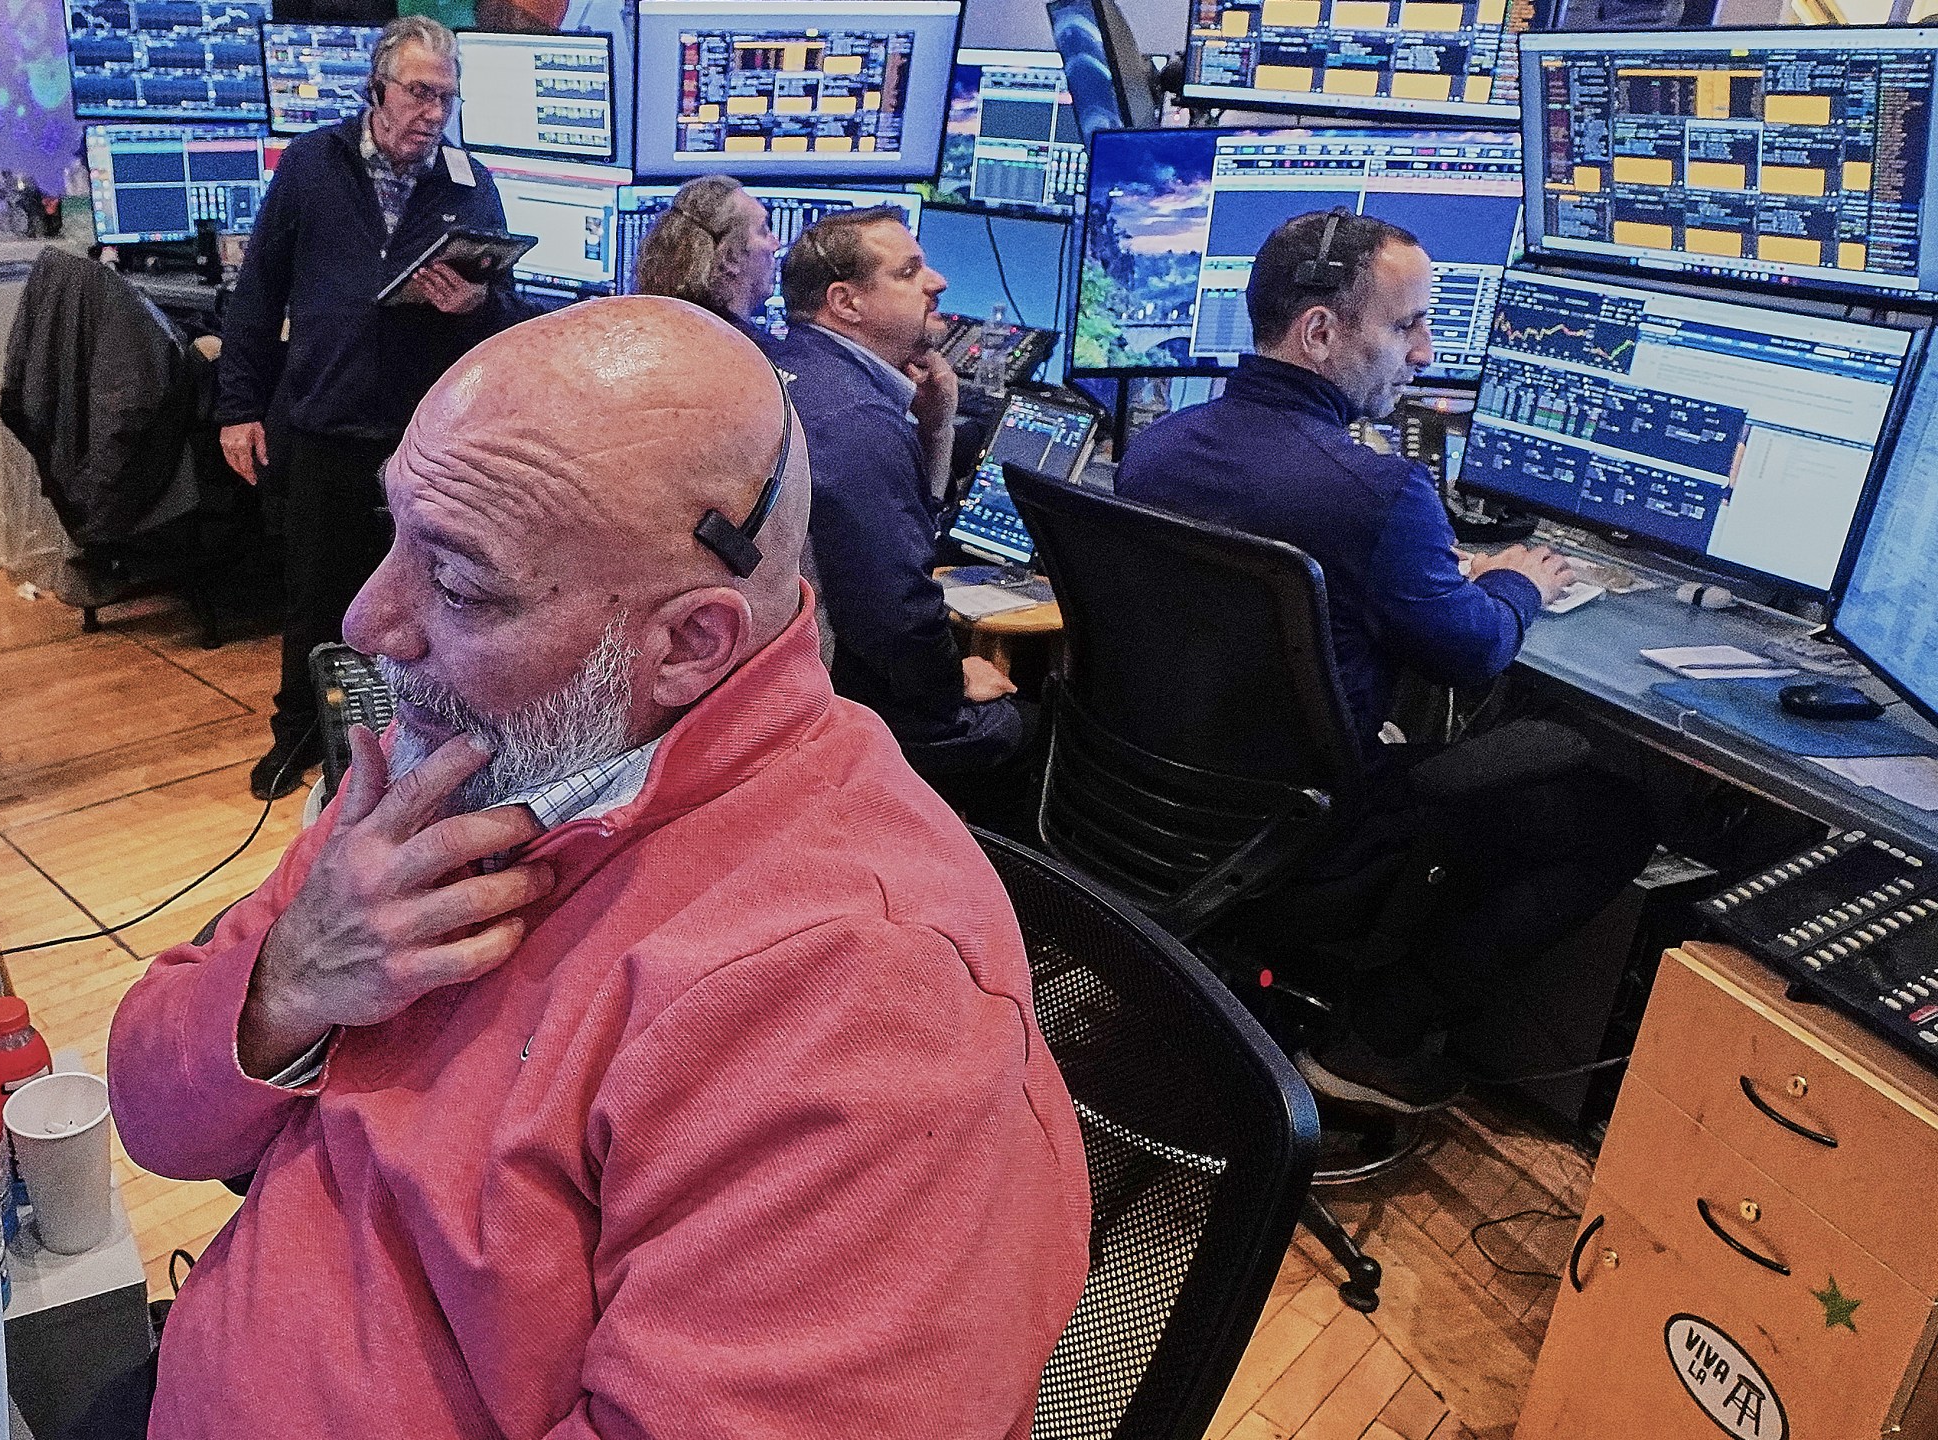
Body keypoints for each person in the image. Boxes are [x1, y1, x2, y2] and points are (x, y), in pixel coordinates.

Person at [97, 298, 1092, 1440]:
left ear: (689, 643)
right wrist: (283, 985)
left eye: (462, 588)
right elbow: (154, 1116)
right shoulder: (441, 763)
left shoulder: (861, 997)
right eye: (395, 535)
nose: (369, 622)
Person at [1118, 209, 1654, 1112]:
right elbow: (1473, 653)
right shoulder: (1378, 491)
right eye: (1406, 326)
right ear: (1321, 331)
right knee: (1609, 814)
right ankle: (1378, 1037)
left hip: (1157, 804)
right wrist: (1518, 581)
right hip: (1310, 831)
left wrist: (1427, 569)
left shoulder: (1159, 447)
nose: (1423, 353)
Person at [215, 15, 531, 801]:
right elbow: (259, 291)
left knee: (421, 612)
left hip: (425, 439)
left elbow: (507, 308)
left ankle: (397, 751)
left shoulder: (467, 181)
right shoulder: (312, 164)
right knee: (316, 598)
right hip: (325, 421)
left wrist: (472, 307)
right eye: (419, 93)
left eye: (446, 98)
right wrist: (238, 405)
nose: (432, 113)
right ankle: (298, 740)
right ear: (377, 89)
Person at [771, 206, 1034, 827]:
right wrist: (951, 695)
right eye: (909, 271)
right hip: (836, 704)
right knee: (1025, 723)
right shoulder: (857, 421)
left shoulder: (790, 365)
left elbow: (894, 547)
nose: (937, 281)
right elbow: (896, 615)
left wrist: (935, 426)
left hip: (779, 680)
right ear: (847, 303)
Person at [629, 174, 781, 349]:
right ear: (730, 257)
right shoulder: (755, 361)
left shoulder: (645, 333)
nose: (775, 245)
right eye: (763, 230)